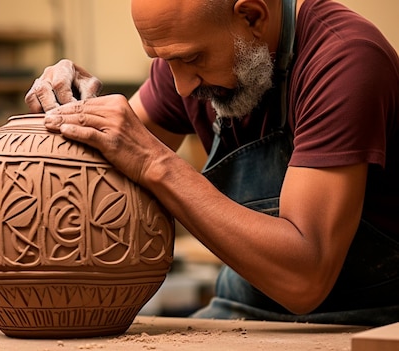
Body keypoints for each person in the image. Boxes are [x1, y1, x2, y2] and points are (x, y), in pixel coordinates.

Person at [24, 0, 399, 326]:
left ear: (251, 16)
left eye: (190, 58)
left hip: (360, 322)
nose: (182, 86)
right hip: (241, 311)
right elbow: (101, 167)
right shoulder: (190, 62)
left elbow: (306, 278)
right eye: (165, 60)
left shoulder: (344, 61)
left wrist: (157, 163)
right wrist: (72, 109)